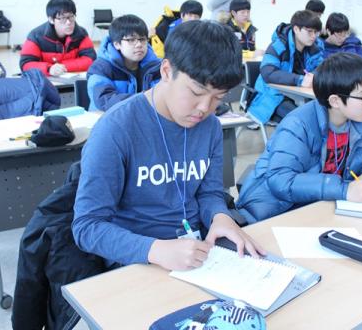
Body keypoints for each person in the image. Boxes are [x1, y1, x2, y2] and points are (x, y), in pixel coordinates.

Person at [73, 20, 264, 271]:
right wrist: (156, 250)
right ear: (166, 71)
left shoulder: (210, 127)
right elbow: (87, 227)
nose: (204, 108)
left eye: (218, 97)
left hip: (199, 253)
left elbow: (209, 193)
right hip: (137, 260)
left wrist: (220, 217)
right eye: (196, 92)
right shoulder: (116, 129)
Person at [236, 53, 362, 223]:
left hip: (323, 207)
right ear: (335, 101)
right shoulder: (298, 125)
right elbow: (281, 181)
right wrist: (344, 189)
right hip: (275, 212)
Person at [247, 10, 324, 124]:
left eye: (316, 32)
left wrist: (313, 76)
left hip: (300, 96)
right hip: (272, 97)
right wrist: (299, 80)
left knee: (323, 114)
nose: (313, 36)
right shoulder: (278, 46)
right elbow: (268, 73)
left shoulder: (314, 50)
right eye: (309, 31)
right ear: (296, 29)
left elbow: (322, 69)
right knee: (303, 120)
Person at [87, 14, 161, 111]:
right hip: (109, 118)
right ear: (117, 44)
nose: (139, 44)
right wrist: (145, 100)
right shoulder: (101, 68)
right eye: (131, 40)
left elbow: (165, 95)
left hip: (144, 117)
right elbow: (105, 100)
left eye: (142, 39)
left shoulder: (156, 66)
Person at [20, 0, 96, 76]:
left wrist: (62, 67)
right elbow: (25, 64)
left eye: (71, 16)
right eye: (62, 18)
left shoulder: (81, 34)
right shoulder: (36, 36)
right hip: (46, 80)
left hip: (72, 78)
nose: (68, 22)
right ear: (51, 20)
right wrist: (49, 68)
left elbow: (91, 59)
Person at [321, 12, 362, 77]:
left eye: (345, 34)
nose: (342, 38)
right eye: (339, 34)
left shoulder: (352, 44)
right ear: (328, 31)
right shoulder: (320, 49)